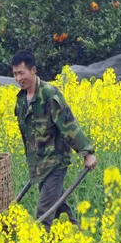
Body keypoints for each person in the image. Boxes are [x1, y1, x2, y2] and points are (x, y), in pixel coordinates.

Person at [12, 51, 98, 229]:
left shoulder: (49, 94)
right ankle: (78, 237)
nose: (18, 78)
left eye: (21, 73)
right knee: (59, 207)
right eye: (14, 74)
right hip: (38, 163)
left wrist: (87, 153)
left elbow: (68, 124)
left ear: (33, 70)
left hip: (55, 161)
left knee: (44, 210)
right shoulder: (21, 100)